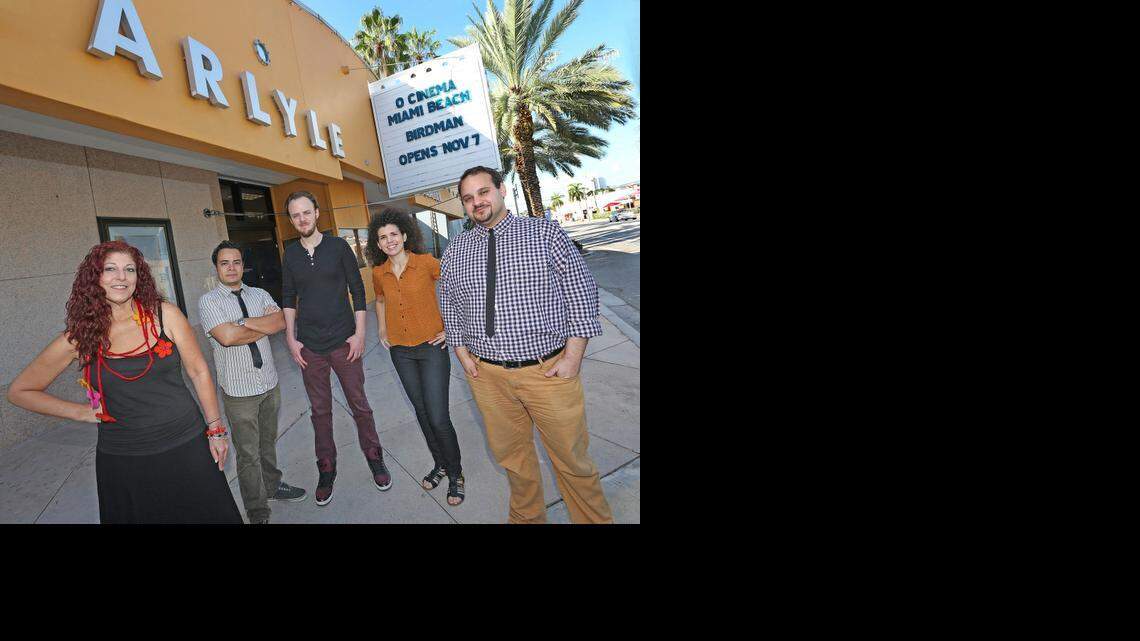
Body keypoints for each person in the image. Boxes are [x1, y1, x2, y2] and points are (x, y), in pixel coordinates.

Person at [6, 240, 242, 524]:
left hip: (187, 445)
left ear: (138, 277)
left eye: (129, 269)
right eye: (111, 269)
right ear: (95, 278)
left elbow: (198, 370)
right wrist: (80, 412)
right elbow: (20, 391)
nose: (121, 277)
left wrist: (216, 430)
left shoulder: (164, 315)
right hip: (125, 459)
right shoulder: (79, 338)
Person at [439, 166, 614, 524]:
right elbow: (449, 303)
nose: (477, 202)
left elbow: (581, 291)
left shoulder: (544, 232)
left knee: (572, 461)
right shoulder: (456, 250)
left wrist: (573, 356)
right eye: (468, 198)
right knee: (513, 461)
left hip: (547, 372)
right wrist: (460, 352)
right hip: (488, 378)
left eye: (483, 192)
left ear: (501, 190)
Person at [281, 191, 391, 506]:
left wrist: (359, 334)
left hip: (344, 341)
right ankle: (326, 467)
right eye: (295, 215)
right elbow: (288, 296)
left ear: (317, 213)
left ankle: (374, 457)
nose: (302, 218)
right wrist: (291, 337)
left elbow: (358, 290)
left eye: (306, 212)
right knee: (320, 411)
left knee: (360, 404)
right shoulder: (290, 255)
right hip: (310, 347)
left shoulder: (338, 247)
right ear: (292, 220)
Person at [198, 240, 306, 524]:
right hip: (239, 390)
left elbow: (281, 322)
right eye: (225, 263)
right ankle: (257, 511)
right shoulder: (208, 301)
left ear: (243, 265)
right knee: (247, 454)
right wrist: (260, 326)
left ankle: (272, 486)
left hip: (269, 382)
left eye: (236, 262)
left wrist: (242, 322)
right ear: (216, 267)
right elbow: (227, 338)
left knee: (268, 443)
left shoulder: (259, 294)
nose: (231, 268)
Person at [366, 209, 464, 506]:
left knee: (438, 415)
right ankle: (441, 464)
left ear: (405, 235)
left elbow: (457, 288)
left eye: (393, 234)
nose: (389, 240)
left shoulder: (425, 263)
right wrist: (383, 328)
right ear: (378, 244)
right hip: (401, 351)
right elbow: (380, 299)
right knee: (421, 413)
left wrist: (451, 327)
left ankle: (456, 474)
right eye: (383, 237)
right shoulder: (378, 272)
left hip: (432, 347)